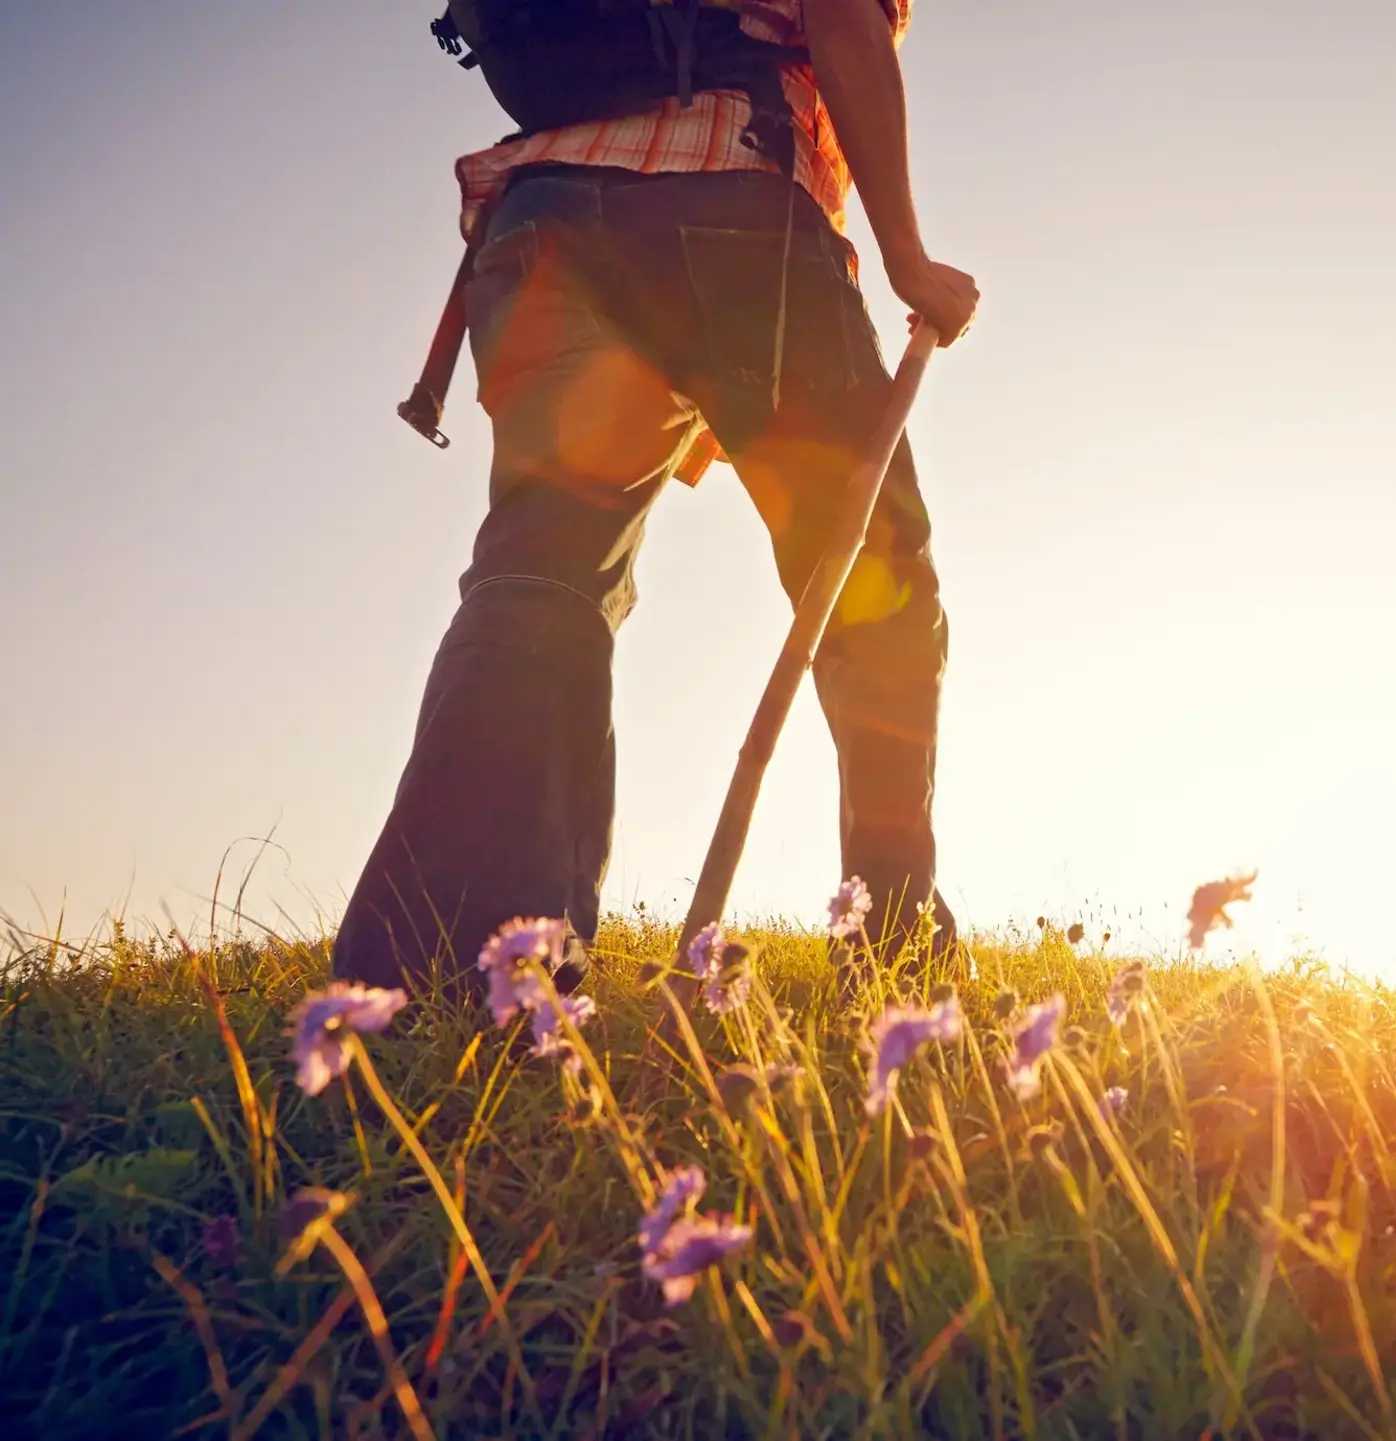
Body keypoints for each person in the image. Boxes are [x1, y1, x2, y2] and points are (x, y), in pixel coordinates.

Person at [332, 0, 978, 999]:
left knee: (542, 575)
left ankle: (464, 967)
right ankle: (894, 952)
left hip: (543, 223)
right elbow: (846, 20)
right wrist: (907, 256)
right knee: (870, 577)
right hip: (734, 203)